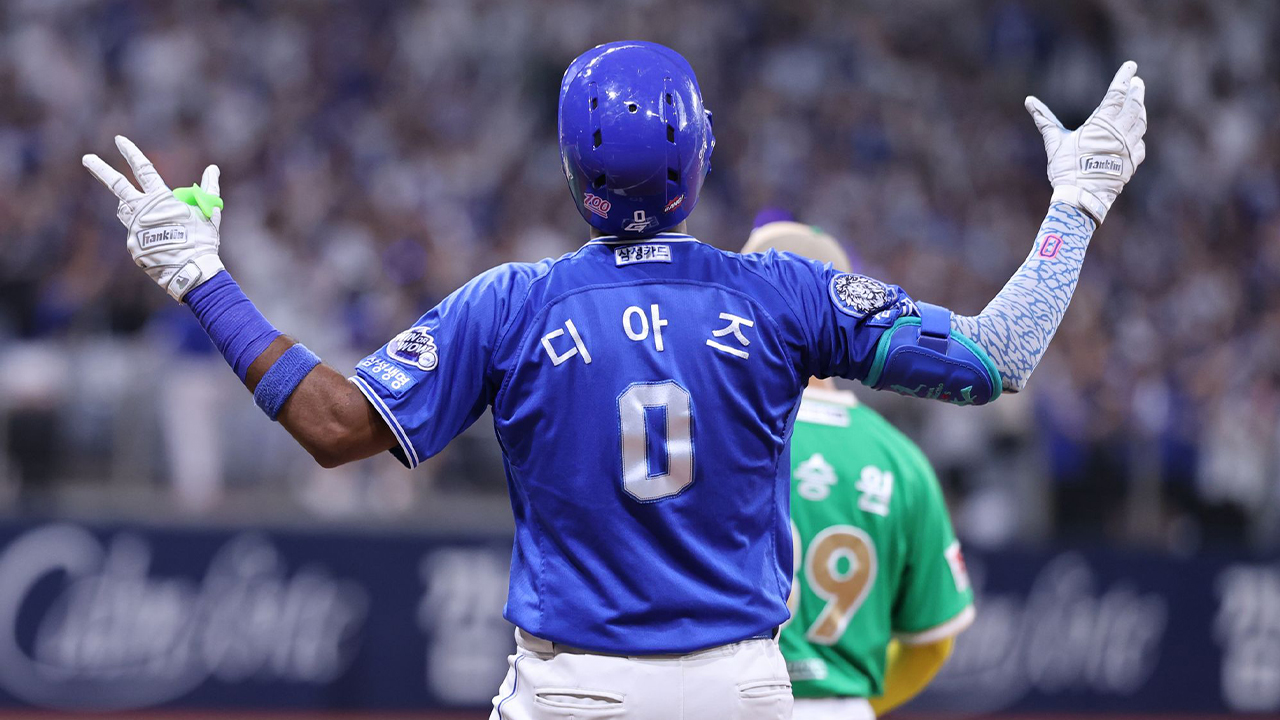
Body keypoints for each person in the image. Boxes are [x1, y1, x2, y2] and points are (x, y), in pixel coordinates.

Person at [82, 41, 1146, 719]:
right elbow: (998, 356)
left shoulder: (512, 303)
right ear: (697, 161)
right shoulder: (783, 293)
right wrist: (1079, 202)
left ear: (571, 171)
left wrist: (202, 279)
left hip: (574, 688)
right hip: (742, 686)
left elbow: (330, 426)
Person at [744, 220, 974, 720]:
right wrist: (857, 704)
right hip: (842, 707)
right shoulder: (900, 458)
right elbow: (933, 643)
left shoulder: (716, 431)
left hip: (728, 702)